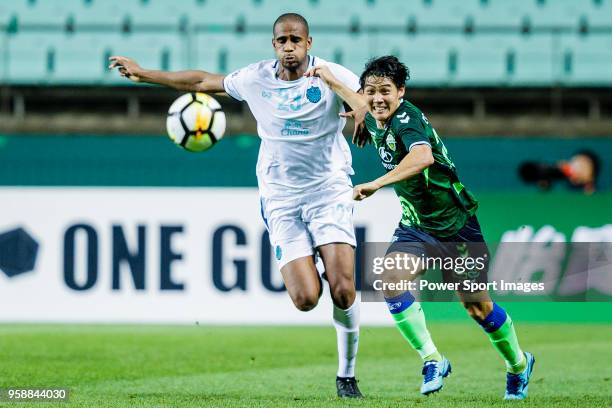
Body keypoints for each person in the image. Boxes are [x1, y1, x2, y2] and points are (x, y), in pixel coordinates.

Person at [109, 13, 365, 398]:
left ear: (309, 43)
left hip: (329, 190)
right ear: (274, 44)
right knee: (306, 299)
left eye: (297, 39)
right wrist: (144, 74)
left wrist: (361, 106)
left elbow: (370, 99)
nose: (289, 46)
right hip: (281, 197)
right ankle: (312, 257)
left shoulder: (332, 74)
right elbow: (200, 81)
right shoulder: (256, 79)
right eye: (282, 40)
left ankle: (346, 375)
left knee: (344, 290)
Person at [307, 56, 535, 400]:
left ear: (401, 92)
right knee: (390, 280)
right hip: (416, 226)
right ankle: (432, 359)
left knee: (477, 307)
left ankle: (519, 365)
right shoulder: (370, 111)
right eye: (371, 92)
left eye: (386, 91)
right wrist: (326, 77)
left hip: (457, 227)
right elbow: (356, 100)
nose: (377, 98)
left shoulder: (406, 120)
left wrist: (376, 183)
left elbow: (422, 157)